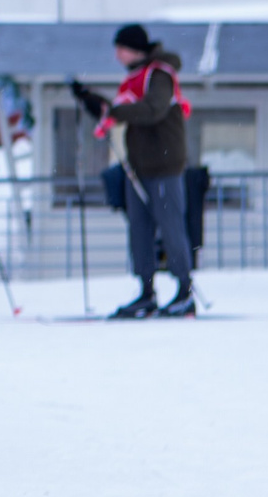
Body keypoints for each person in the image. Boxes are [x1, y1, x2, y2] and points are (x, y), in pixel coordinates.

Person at [70, 24, 193, 318]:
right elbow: (121, 109)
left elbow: (153, 109)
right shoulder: (133, 79)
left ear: (133, 49)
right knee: (139, 230)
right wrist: (91, 100)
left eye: (120, 49)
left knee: (171, 227)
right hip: (138, 167)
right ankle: (146, 291)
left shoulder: (159, 74)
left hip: (163, 165)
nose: (116, 55)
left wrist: (112, 112)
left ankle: (185, 290)